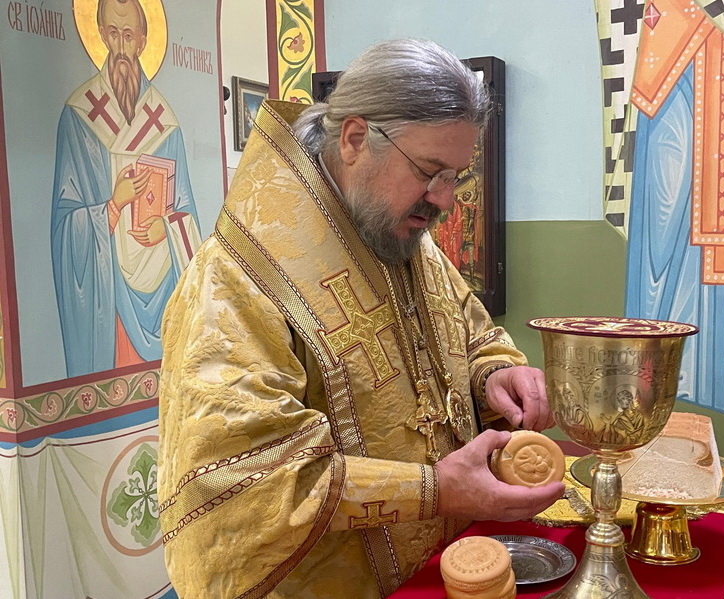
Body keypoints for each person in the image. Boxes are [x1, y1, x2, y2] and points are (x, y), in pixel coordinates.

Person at [157, 39, 564, 599]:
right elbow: (246, 480)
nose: (444, 200)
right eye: (430, 171)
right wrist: (435, 490)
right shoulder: (235, 279)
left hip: (435, 569)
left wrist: (493, 375)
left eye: (455, 176)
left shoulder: (402, 236)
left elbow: (469, 335)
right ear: (354, 139)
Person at [51, 0, 201, 377]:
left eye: (129, 36)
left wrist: (166, 229)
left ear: (143, 41)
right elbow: (64, 224)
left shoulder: (165, 123)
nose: (121, 47)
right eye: (114, 34)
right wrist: (112, 207)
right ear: (101, 35)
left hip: (162, 286)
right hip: (111, 296)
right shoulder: (79, 116)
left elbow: (187, 214)